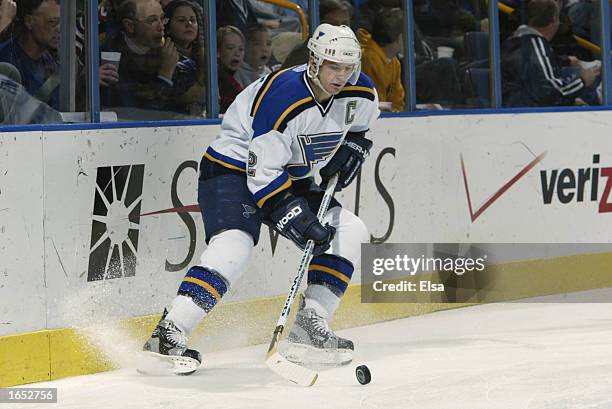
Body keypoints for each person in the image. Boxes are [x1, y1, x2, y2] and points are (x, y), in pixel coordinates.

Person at [141, 24, 380, 374]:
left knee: (349, 229)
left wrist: (354, 147)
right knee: (234, 247)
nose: (341, 76)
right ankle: (168, 334)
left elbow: (361, 126)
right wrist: (294, 217)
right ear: (314, 62)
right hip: (232, 170)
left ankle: (309, 327)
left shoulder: (359, 91)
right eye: (333, 67)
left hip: (290, 176)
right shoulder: (285, 97)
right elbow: (262, 173)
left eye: (347, 67)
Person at [101, 0, 199, 115]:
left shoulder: (179, 61)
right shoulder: (108, 56)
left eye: (162, 19)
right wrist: (165, 75)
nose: (161, 27)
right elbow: (140, 112)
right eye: (152, 20)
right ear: (130, 26)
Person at [501, 0, 600, 107]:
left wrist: (570, 101)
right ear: (554, 20)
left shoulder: (520, 39)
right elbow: (549, 94)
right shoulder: (534, 45)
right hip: (527, 113)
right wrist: (582, 81)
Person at [0, 0, 60, 110]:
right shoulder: (7, 61)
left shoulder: (53, 62)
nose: (59, 29)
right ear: (29, 21)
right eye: (52, 22)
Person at [358, 8, 405, 111]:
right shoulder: (368, 59)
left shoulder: (394, 61)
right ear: (398, 38)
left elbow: (397, 102)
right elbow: (375, 106)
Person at [217, 25, 245, 113]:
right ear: (217, 51)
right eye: (230, 48)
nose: (237, 53)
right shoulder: (216, 80)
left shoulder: (235, 80)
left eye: (241, 49)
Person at [235, 23, 272, 88]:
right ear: (245, 46)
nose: (265, 49)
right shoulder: (238, 73)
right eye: (258, 44)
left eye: (268, 44)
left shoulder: (268, 73)